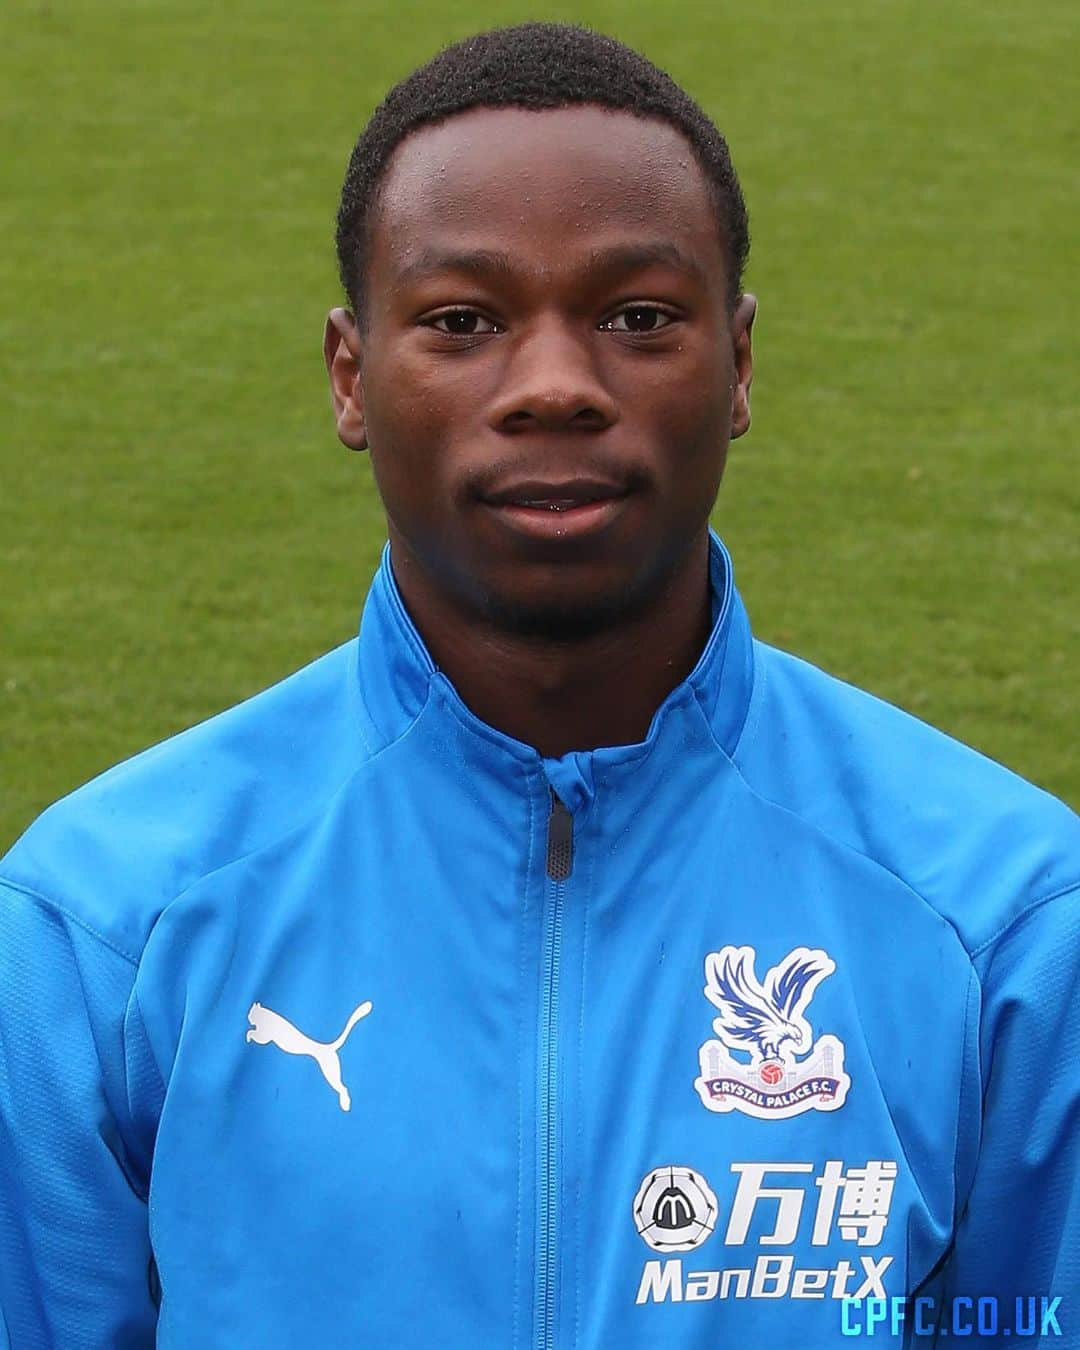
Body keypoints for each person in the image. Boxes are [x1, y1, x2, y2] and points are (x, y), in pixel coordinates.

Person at [1, 21, 1076, 1350]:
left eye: (636, 316)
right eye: (464, 320)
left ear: (740, 363)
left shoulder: (1002, 924)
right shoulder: (103, 931)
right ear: (351, 373)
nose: (556, 385)